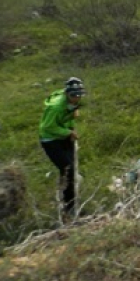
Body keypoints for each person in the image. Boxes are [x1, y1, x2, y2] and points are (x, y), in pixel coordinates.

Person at [39, 77, 86, 217]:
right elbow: (47, 126)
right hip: (51, 140)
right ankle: (69, 209)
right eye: (73, 95)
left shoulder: (71, 101)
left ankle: (69, 200)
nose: (76, 98)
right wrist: (68, 132)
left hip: (65, 137)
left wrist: (71, 120)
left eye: (79, 95)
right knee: (68, 170)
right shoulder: (56, 107)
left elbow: (67, 116)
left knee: (71, 169)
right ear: (67, 93)